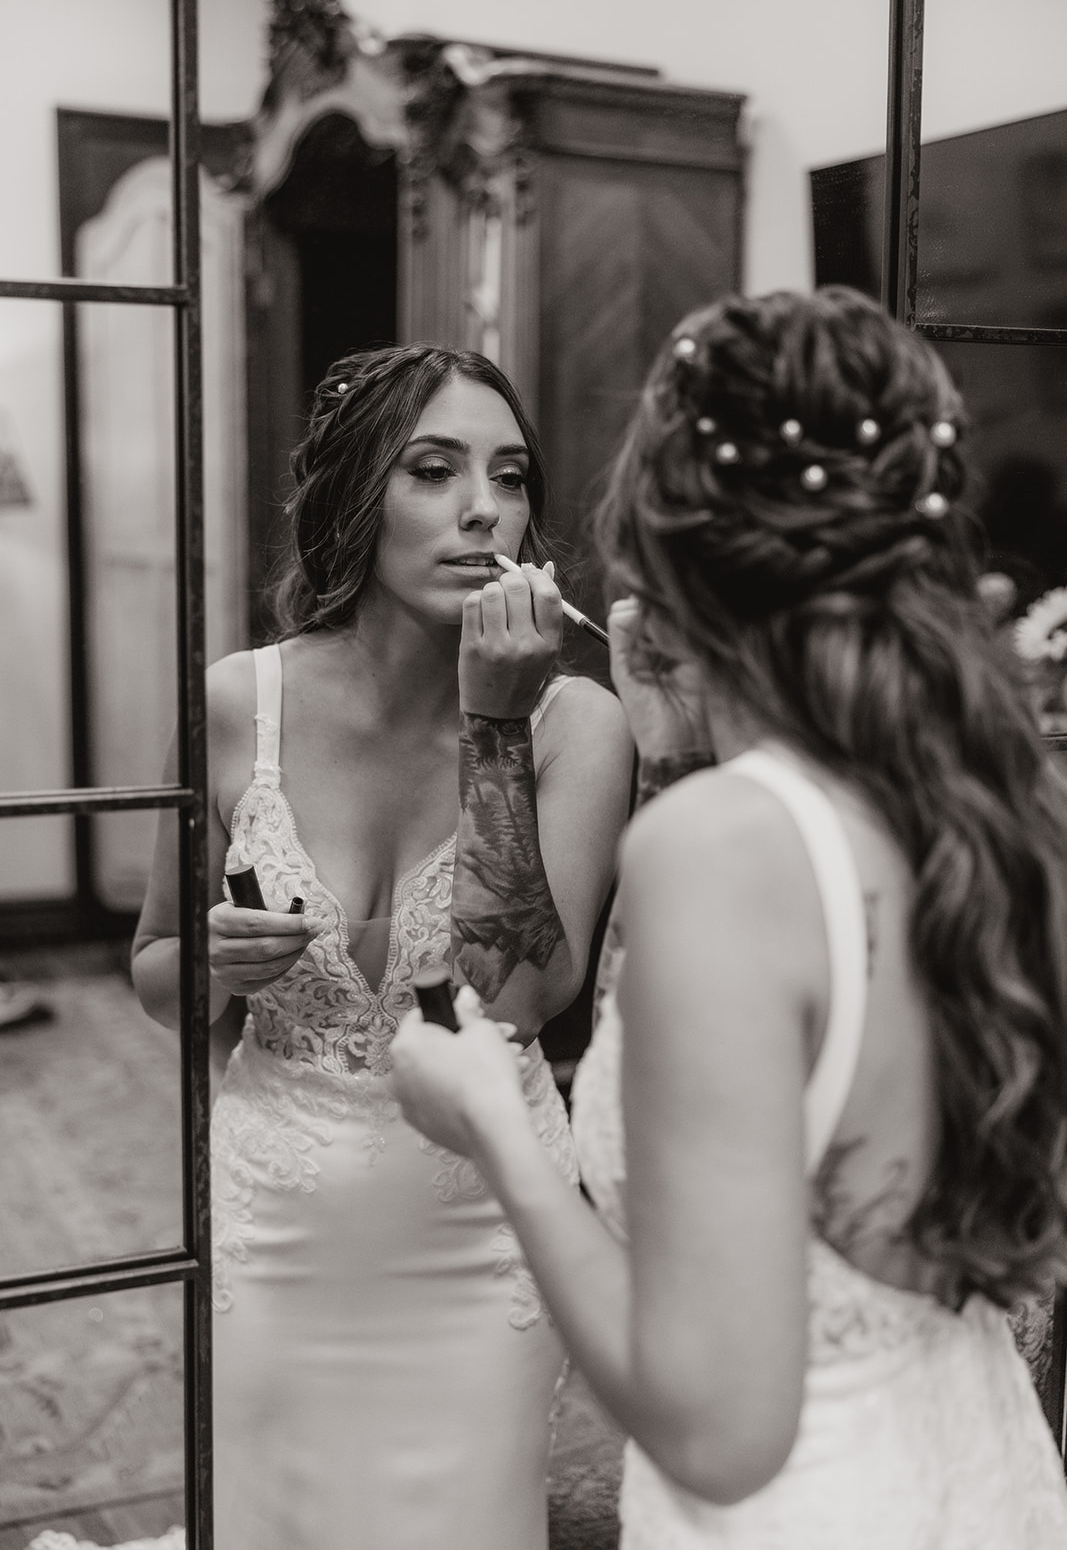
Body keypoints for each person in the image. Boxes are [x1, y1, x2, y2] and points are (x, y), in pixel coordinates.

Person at [391, 286, 1067, 1547]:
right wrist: (675, 752)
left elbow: (717, 1428)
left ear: (659, 540)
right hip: (980, 1481)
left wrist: (496, 1126)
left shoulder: (720, 852)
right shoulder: (991, 809)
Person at [129, 344, 633, 1550]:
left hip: (479, 1228)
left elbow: (513, 1002)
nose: (483, 508)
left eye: (509, 478)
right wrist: (209, 964)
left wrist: (495, 732)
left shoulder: (578, 723)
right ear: (359, 496)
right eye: (433, 470)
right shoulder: (233, 705)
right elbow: (153, 970)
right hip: (275, 1213)